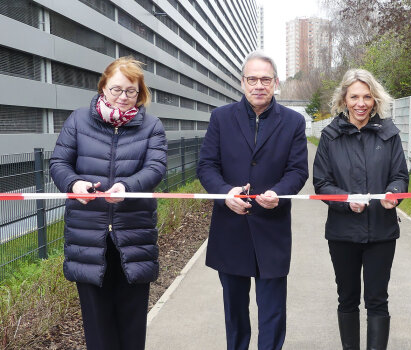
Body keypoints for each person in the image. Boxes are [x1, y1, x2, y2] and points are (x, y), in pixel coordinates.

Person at [49, 56, 167, 349]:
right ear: (103, 87)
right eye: (116, 89)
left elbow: (156, 169)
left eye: (131, 91)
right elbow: (59, 163)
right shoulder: (78, 120)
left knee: (131, 324)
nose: (123, 97)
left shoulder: (151, 126)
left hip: (133, 235)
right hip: (89, 236)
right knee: (97, 327)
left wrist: (127, 187)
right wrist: (74, 183)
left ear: (140, 94)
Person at [196, 51, 308, 350]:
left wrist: (279, 194)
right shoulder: (221, 117)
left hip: (272, 229)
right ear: (242, 82)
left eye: (265, 79)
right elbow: (207, 166)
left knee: (272, 312)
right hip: (230, 228)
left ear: (276, 83)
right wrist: (225, 194)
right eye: (252, 79)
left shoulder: (293, 122)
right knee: (235, 311)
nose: (259, 85)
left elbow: (298, 170)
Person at [313, 69, 409, 350]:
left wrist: (396, 193)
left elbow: (400, 176)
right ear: (344, 99)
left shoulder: (389, 134)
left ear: (375, 99)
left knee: (378, 299)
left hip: (382, 231)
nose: (361, 103)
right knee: (348, 298)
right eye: (354, 96)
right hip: (342, 234)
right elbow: (321, 182)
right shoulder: (330, 137)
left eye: (367, 96)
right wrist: (345, 199)